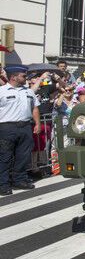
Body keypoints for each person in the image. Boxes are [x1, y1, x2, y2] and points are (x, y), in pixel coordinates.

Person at [0, 65, 40, 195]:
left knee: (23, 156)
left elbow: (35, 108)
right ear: (13, 77)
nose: (26, 78)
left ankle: (19, 180)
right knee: (5, 157)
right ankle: (3, 184)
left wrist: (37, 124)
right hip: (7, 127)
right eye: (23, 76)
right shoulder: (2, 91)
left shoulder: (29, 91)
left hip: (25, 126)